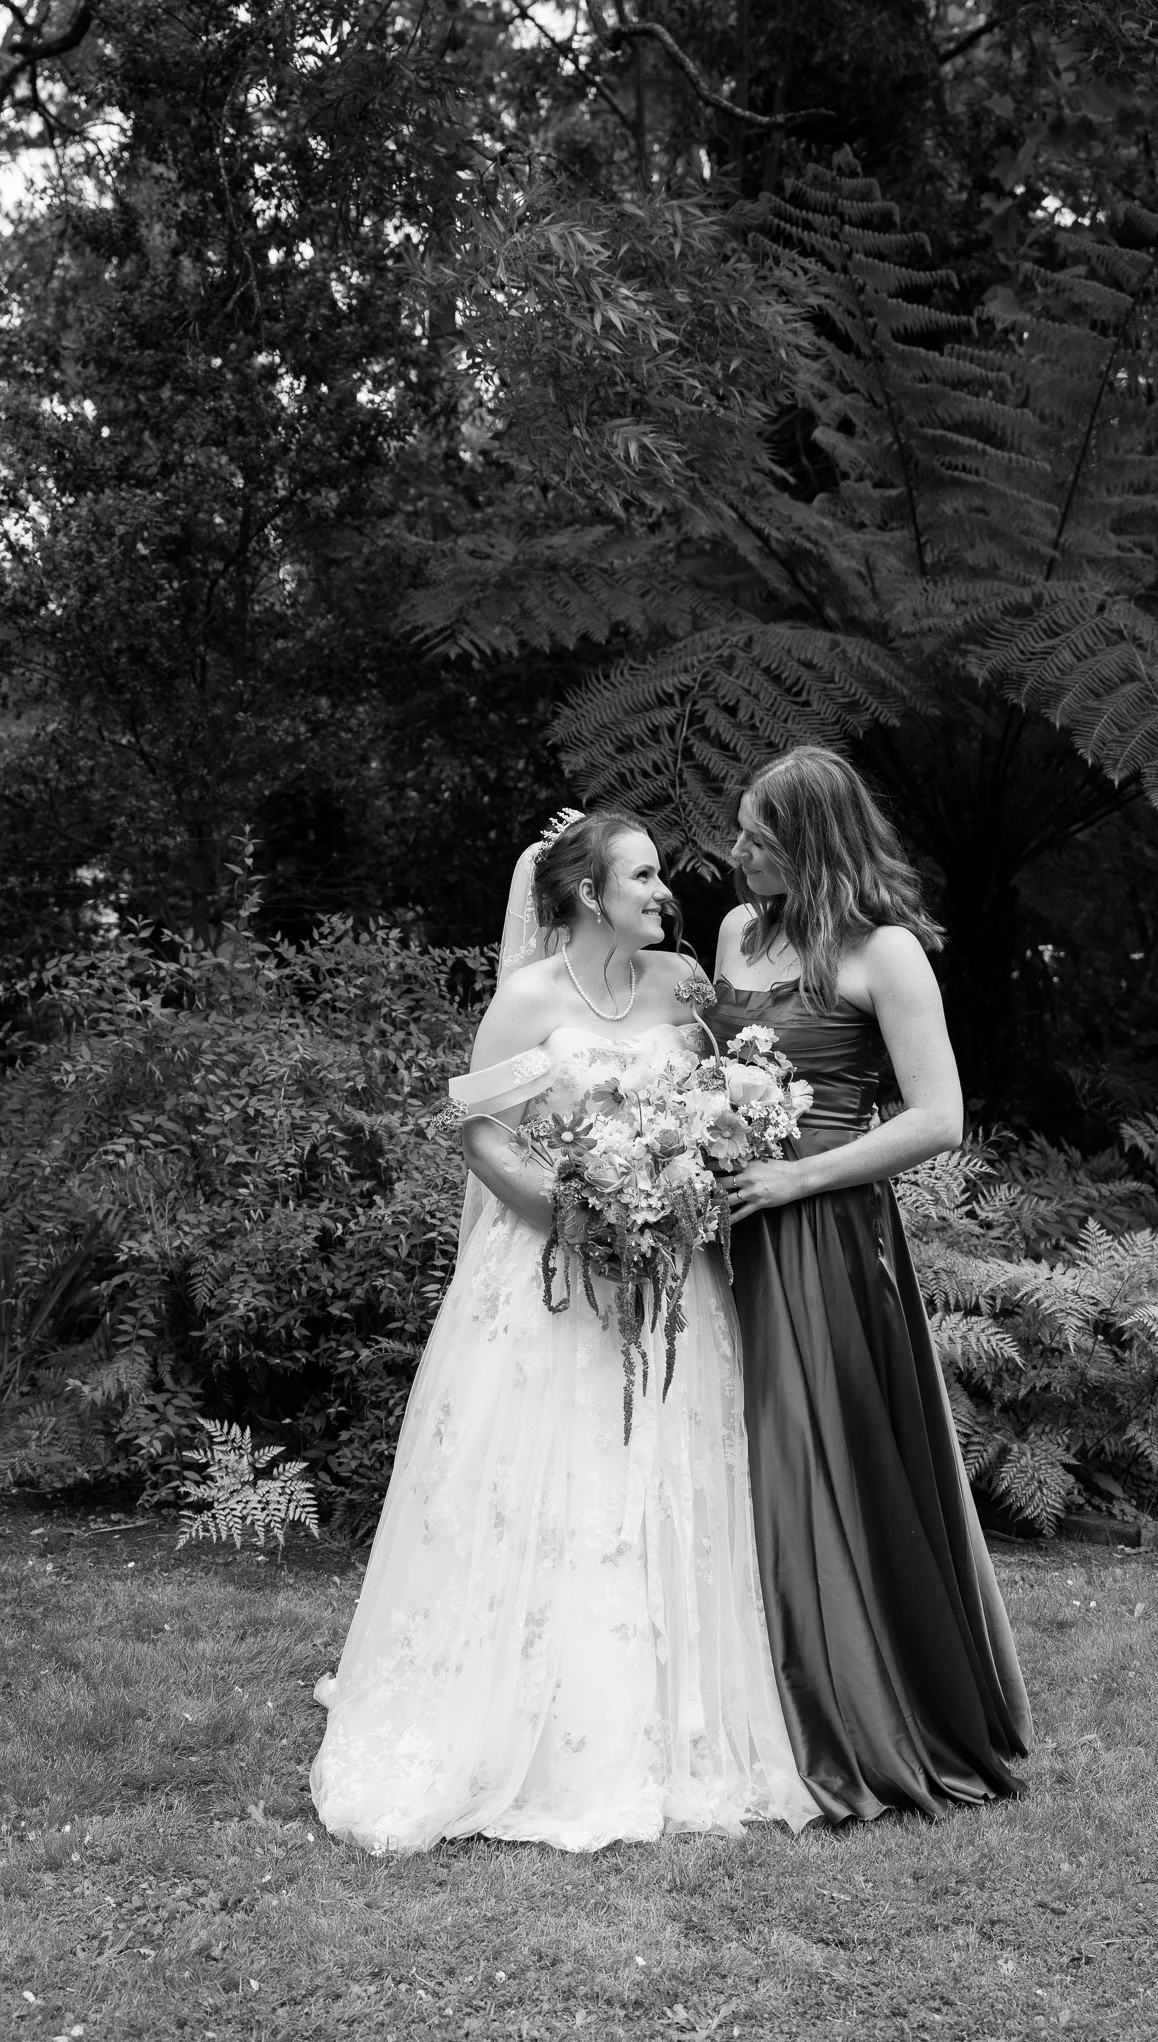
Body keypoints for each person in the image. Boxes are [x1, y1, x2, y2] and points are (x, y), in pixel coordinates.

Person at [310, 809, 817, 1854]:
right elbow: (479, 1132)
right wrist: (570, 1213)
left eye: (659, 877)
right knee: (550, 1482)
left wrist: (696, 1166)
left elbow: (722, 1105)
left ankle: (675, 1721)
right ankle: (521, 1717)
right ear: (589, 894)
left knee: (663, 1472)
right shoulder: (530, 998)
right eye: (643, 876)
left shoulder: (683, 985)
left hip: (670, 1276)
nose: (664, 892)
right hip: (551, 1272)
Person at [707, 746, 1032, 1824]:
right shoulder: (737, 932)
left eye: (757, 835)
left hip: (824, 1233)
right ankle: (730, 1691)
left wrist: (797, 1175)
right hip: (723, 1225)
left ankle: (856, 1698)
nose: (737, 851)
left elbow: (938, 1117)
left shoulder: (882, 951)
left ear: (810, 842)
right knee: (724, 1448)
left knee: (819, 1452)